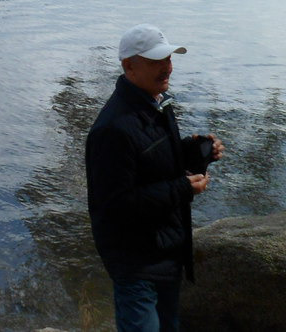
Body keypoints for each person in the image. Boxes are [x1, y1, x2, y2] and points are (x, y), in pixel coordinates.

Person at [86, 23, 225, 332]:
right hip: (135, 260)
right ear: (128, 66)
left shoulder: (156, 104)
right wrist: (181, 189)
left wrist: (192, 151)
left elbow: (151, 158)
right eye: (156, 62)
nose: (167, 68)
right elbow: (115, 206)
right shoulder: (112, 129)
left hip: (165, 249)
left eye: (169, 59)